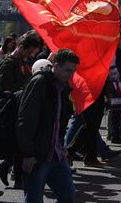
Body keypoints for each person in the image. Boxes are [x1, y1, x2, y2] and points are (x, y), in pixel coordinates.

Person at [17, 49, 78, 203]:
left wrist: (61, 145)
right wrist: (28, 153)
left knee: (68, 196)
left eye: (73, 71)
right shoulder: (40, 82)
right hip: (37, 155)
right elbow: (25, 119)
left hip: (56, 154)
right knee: (34, 199)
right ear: (55, 66)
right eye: (68, 70)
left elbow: (59, 121)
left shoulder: (62, 87)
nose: (71, 75)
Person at [0, 30, 42, 189]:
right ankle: (17, 177)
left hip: (21, 106)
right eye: (30, 51)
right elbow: (5, 88)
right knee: (16, 143)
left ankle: (11, 171)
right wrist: (26, 89)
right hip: (11, 109)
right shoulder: (8, 63)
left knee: (18, 144)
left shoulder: (22, 63)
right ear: (22, 47)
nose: (31, 55)